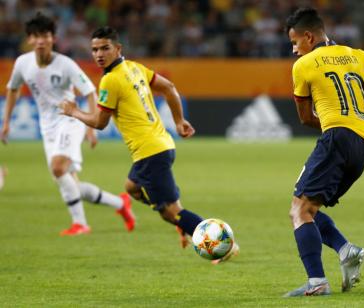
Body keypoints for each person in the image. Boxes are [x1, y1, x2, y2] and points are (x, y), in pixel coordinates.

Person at [60, 26, 238, 261]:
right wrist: (179, 120)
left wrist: (73, 111)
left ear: (117, 48)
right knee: (131, 187)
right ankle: (178, 218)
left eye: (105, 48)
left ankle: (225, 247)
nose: (99, 54)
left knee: (172, 211)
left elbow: (99, 122)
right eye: (94, 50)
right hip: (161, 145)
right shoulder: (135, 68)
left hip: (149, 152)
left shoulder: (110, 80)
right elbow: (169, 88)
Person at [284, 8, 364, 297]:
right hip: (362, 147)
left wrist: (336, 128)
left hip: (336, 138)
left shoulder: (304, 65)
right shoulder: (356, 54)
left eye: (295, 42)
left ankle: (316, 282)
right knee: (306, 205)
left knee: (300, 210)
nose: (294, 50)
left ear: (308, 36)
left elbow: (305, 118)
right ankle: (345, 249)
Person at [1, 13, 135, 236]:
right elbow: (12, 89)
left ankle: (80, 224)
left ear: (53, 38)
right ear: (30, 39)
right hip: (48, 127)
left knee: (57, 167)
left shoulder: (66, 65)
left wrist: (91, 128)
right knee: (69, 182)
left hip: (70, 121)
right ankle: (120, 204)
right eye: (36, 36)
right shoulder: (23, 63)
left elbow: (90, 92)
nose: (41, 40)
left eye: (45, 35)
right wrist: (6, 122)